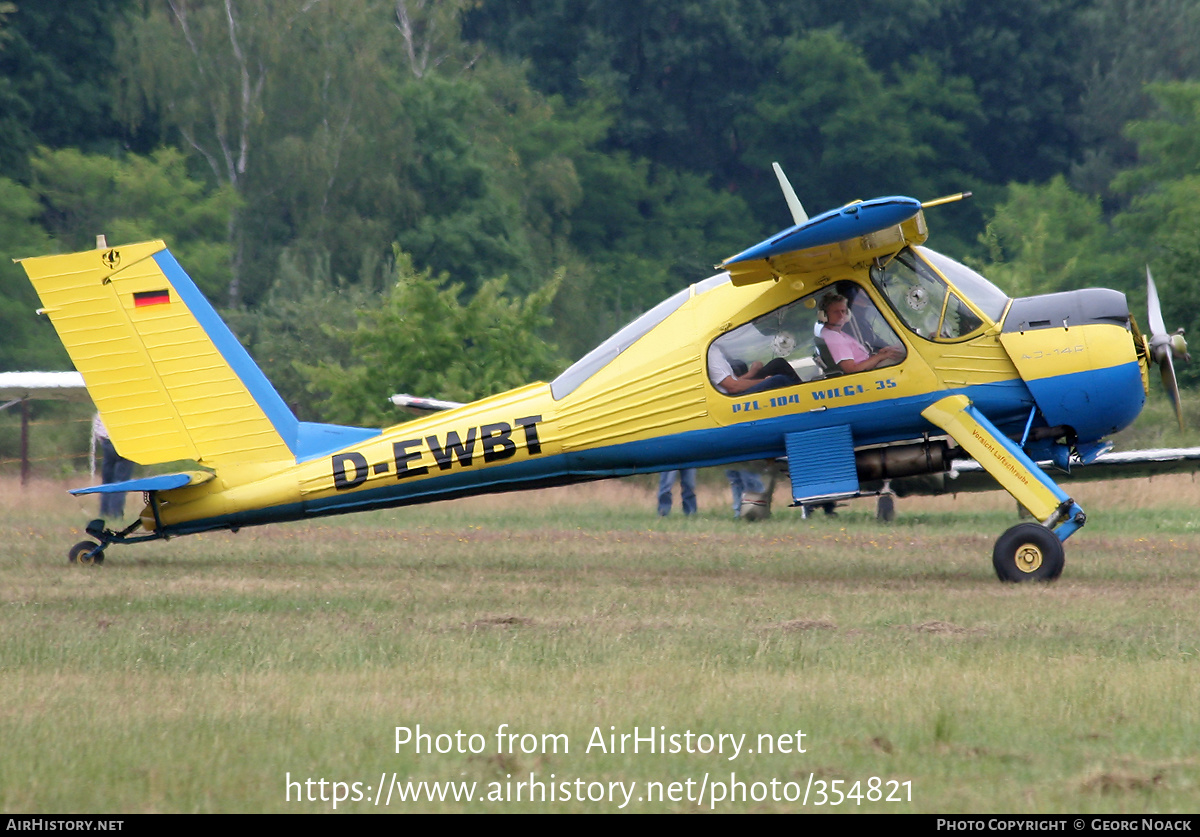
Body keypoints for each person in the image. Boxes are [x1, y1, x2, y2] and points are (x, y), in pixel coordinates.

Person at [817, 293, 904, 374]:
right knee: (906, 352)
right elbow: (851, 370)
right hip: (869, 373)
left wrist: (880, 353)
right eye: (836, 312)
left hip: (871, 367)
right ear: (824, 315)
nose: (841, 316)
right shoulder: (834, 338)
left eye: (843, 311)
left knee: (901, 347)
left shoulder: (835, 333)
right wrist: (880, 356)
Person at [708, 344, 802, 394]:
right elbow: (733, 387)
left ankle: (805, 390)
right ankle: (804, 401)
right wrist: (764, 380)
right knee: (779, 380)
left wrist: (753, 372)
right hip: (733, 398)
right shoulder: (709, 354)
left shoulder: (714, 349)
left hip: (735, 387)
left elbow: (733, 379)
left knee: (778, 364)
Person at [93, 414, 134, 520]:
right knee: (121, 481)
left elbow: (97, 426)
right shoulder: (127, 408)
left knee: (107, 481)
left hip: (107, 442)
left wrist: (103, 441)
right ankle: (116, 514)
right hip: (125, 443)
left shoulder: (102, 408)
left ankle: (104, 513)